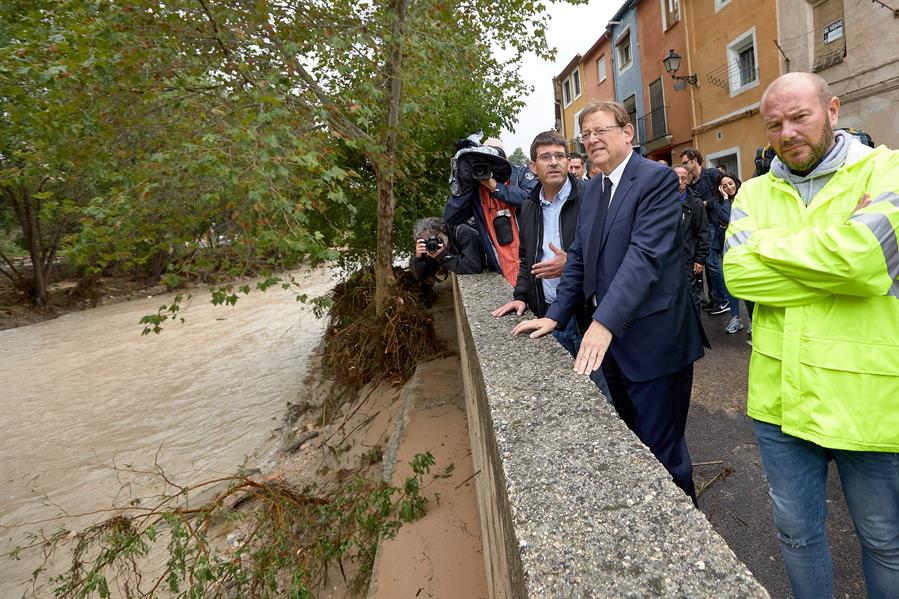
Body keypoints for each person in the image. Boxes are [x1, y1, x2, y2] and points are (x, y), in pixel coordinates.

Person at [723, 72, 899, 599]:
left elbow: (867, 259)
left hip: (866, 395)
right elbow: (738, 275)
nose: (787, 132)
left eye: (799, 116)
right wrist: (837, 262)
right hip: (781, 399)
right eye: (774, 123)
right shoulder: (753, 191)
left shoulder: (888, 169)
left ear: (833, 110)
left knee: (885, 541)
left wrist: (772, 247)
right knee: (797, 538)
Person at [512, 101, 708, 502]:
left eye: (600, 130)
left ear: (627, 132)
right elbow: (580, 257)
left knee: (663, 453)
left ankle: (686, 524)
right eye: (585, 134)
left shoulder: (655, 180)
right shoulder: (596, 188)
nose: (592, 140)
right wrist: (554, 316)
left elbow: (644, 257)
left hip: (655, 343)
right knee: (632, 443)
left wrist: (602, 322)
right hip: (614, 346)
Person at [490, 132, 613, 401]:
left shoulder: (591, 197)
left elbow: (613, 254)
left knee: (602, 397)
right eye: (546, 157)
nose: (554, 162)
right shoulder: (529, 205)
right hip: (547, 313)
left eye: (560, 156)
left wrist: (571, 262)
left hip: (586, 316)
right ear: (533, 167)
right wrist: (521, 296)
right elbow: (525, 257)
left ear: (569, 162)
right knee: (563, 395)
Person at [444, 136, 538, 285]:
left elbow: (530, 199)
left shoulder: (520, 174)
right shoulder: (476, 190)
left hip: (533, 267)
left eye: (496, 154)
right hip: (504, 272)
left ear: (504, 157)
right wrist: (465, 185)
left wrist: (496, 187)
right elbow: (451, 217)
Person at [680, 148, 728, 315]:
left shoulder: (712, 174)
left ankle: (723, 300)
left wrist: (706, 203)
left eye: (686, 162)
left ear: (694, 160)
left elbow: (728, 189)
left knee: (713, 263)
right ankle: (715, 299)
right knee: (708, 264)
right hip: (704, 225)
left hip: (716, 223)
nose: (684, 166)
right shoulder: (693, 183)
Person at [714, 173, 747, 334]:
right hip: (727, 249)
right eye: (724, 185)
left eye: (730, 183)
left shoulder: (746, 197)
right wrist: (726, 198)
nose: (729, 187)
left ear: (736, 182)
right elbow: (727, 217)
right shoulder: (719, 203)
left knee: (747, 286)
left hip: (746, 248)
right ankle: (736, 318)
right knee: (731, 284)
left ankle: (753, 320)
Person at [672, 165, 709, 306]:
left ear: (687, 180)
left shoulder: (695, 203)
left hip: (688, 256)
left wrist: (700, 259)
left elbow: (703, 232)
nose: (679, 181)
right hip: (669, 258)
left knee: (691, 296)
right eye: (676, 178)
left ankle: (694, 327)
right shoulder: (663, 201)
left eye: (683, 178)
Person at [411, 217, 484, 284]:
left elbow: (474, 267)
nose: (433, 242)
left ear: (443, 230)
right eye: (428, 241)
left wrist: (443, 256)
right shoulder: (436, 247)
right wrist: (419, 258)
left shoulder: (464, 232)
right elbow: (421, 276)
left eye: (434, 237)